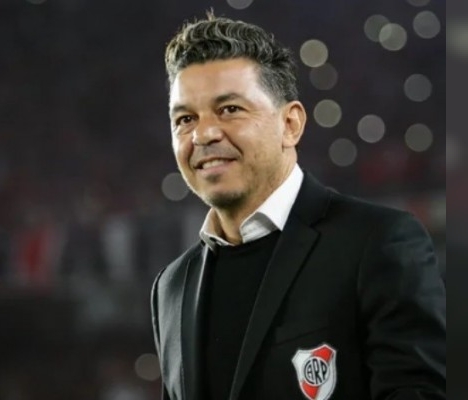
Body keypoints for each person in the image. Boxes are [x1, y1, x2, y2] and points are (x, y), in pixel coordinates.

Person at [149, 12, 446, 400]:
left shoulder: (377, 243)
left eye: (230, 109)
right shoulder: (171, 287)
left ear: (290, 124)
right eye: (185, 119)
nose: (203, 134)